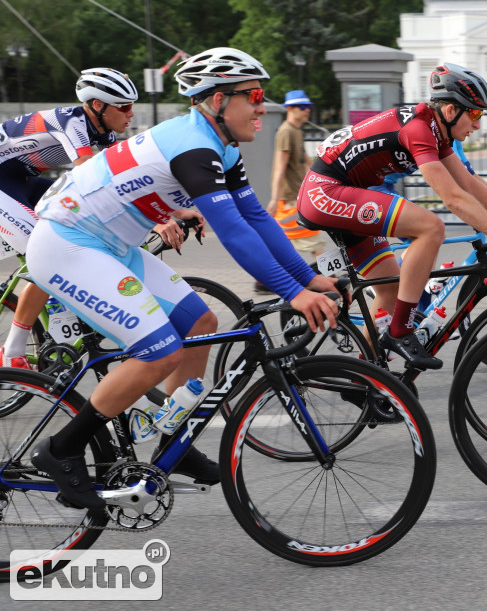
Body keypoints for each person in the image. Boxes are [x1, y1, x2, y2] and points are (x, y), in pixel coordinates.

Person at [26, 47, 339, 510]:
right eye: (253, 95)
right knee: (160, 352)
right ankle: (62, 448)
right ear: (216, 101)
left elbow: (255, 217)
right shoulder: (193, 147)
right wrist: (292, 293)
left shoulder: (219, 145)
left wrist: (305, 279)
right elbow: (232, 231)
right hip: (67, 244)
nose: (261, 106)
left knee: (200, 325)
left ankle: (175, 439)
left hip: (111, 246)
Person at [296, 62, 487, 370]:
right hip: (325, 193)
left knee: (389, 289)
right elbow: (453, 198)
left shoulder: (437, 132)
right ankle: (401, 330)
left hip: (341, 192)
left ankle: (366, 377)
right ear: (451, 111)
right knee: (430, 227)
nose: (479, 124)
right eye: (476, 113)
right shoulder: (419, 129)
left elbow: (468, 183)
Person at [0, 68, 137, 369]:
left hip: (21, 179)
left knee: (72, 229)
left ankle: (57, 306)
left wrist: (170, 212)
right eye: (124, 106)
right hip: (3, 183)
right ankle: (12, 350)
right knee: (49, 249)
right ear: (98, 106)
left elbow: (128, 175)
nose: (131, 113)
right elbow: (90, 175)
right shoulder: (72, 122)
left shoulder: (103, 129)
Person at [258, 89, 326, 293]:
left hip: (294, 197)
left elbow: (306, 159)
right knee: (313, 241)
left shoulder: (296, 131)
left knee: (279, 242)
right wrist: (274, 199)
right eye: (303, 107)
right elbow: (280, 168)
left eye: (308, 107)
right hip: (289, 200)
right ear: (290, 109)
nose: (307, 111)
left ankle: (263, 281)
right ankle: (330, 279)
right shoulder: (286, 132)